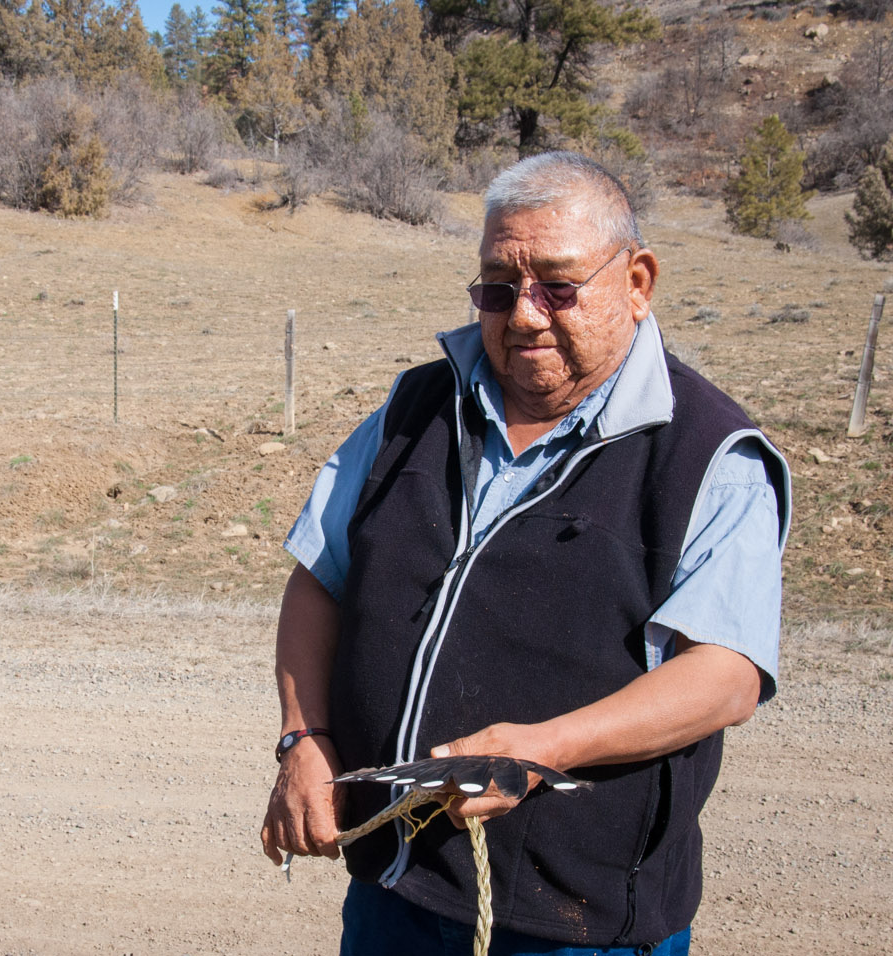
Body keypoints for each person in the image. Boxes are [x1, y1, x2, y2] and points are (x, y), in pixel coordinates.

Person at [259, 153, 790, 956]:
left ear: (638, 282)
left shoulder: (708, 454)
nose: (527, 315)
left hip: (579, 924)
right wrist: (304, 738)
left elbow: (725, 676)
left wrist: (546, 747)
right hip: (394, 896)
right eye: (499, 291)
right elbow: (318, 581)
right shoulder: (414, 410)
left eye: (558, 286)